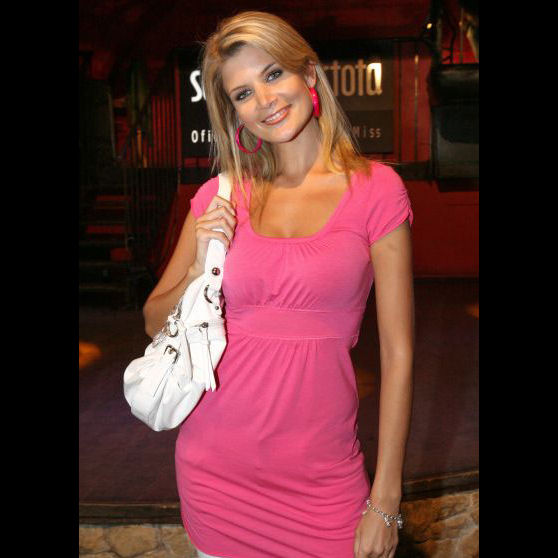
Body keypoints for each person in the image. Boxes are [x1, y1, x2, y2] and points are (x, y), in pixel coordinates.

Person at [142, 10, 414, 558]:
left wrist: (385, 498)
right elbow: (153, 322)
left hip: (324, 481)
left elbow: (399, 354)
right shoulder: (220, 196)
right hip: (216, 477)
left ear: (308, 73)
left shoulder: (377, 190)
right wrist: (196, 270)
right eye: (243, 93)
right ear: (234, 112)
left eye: (272, 74)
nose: (264, 100)